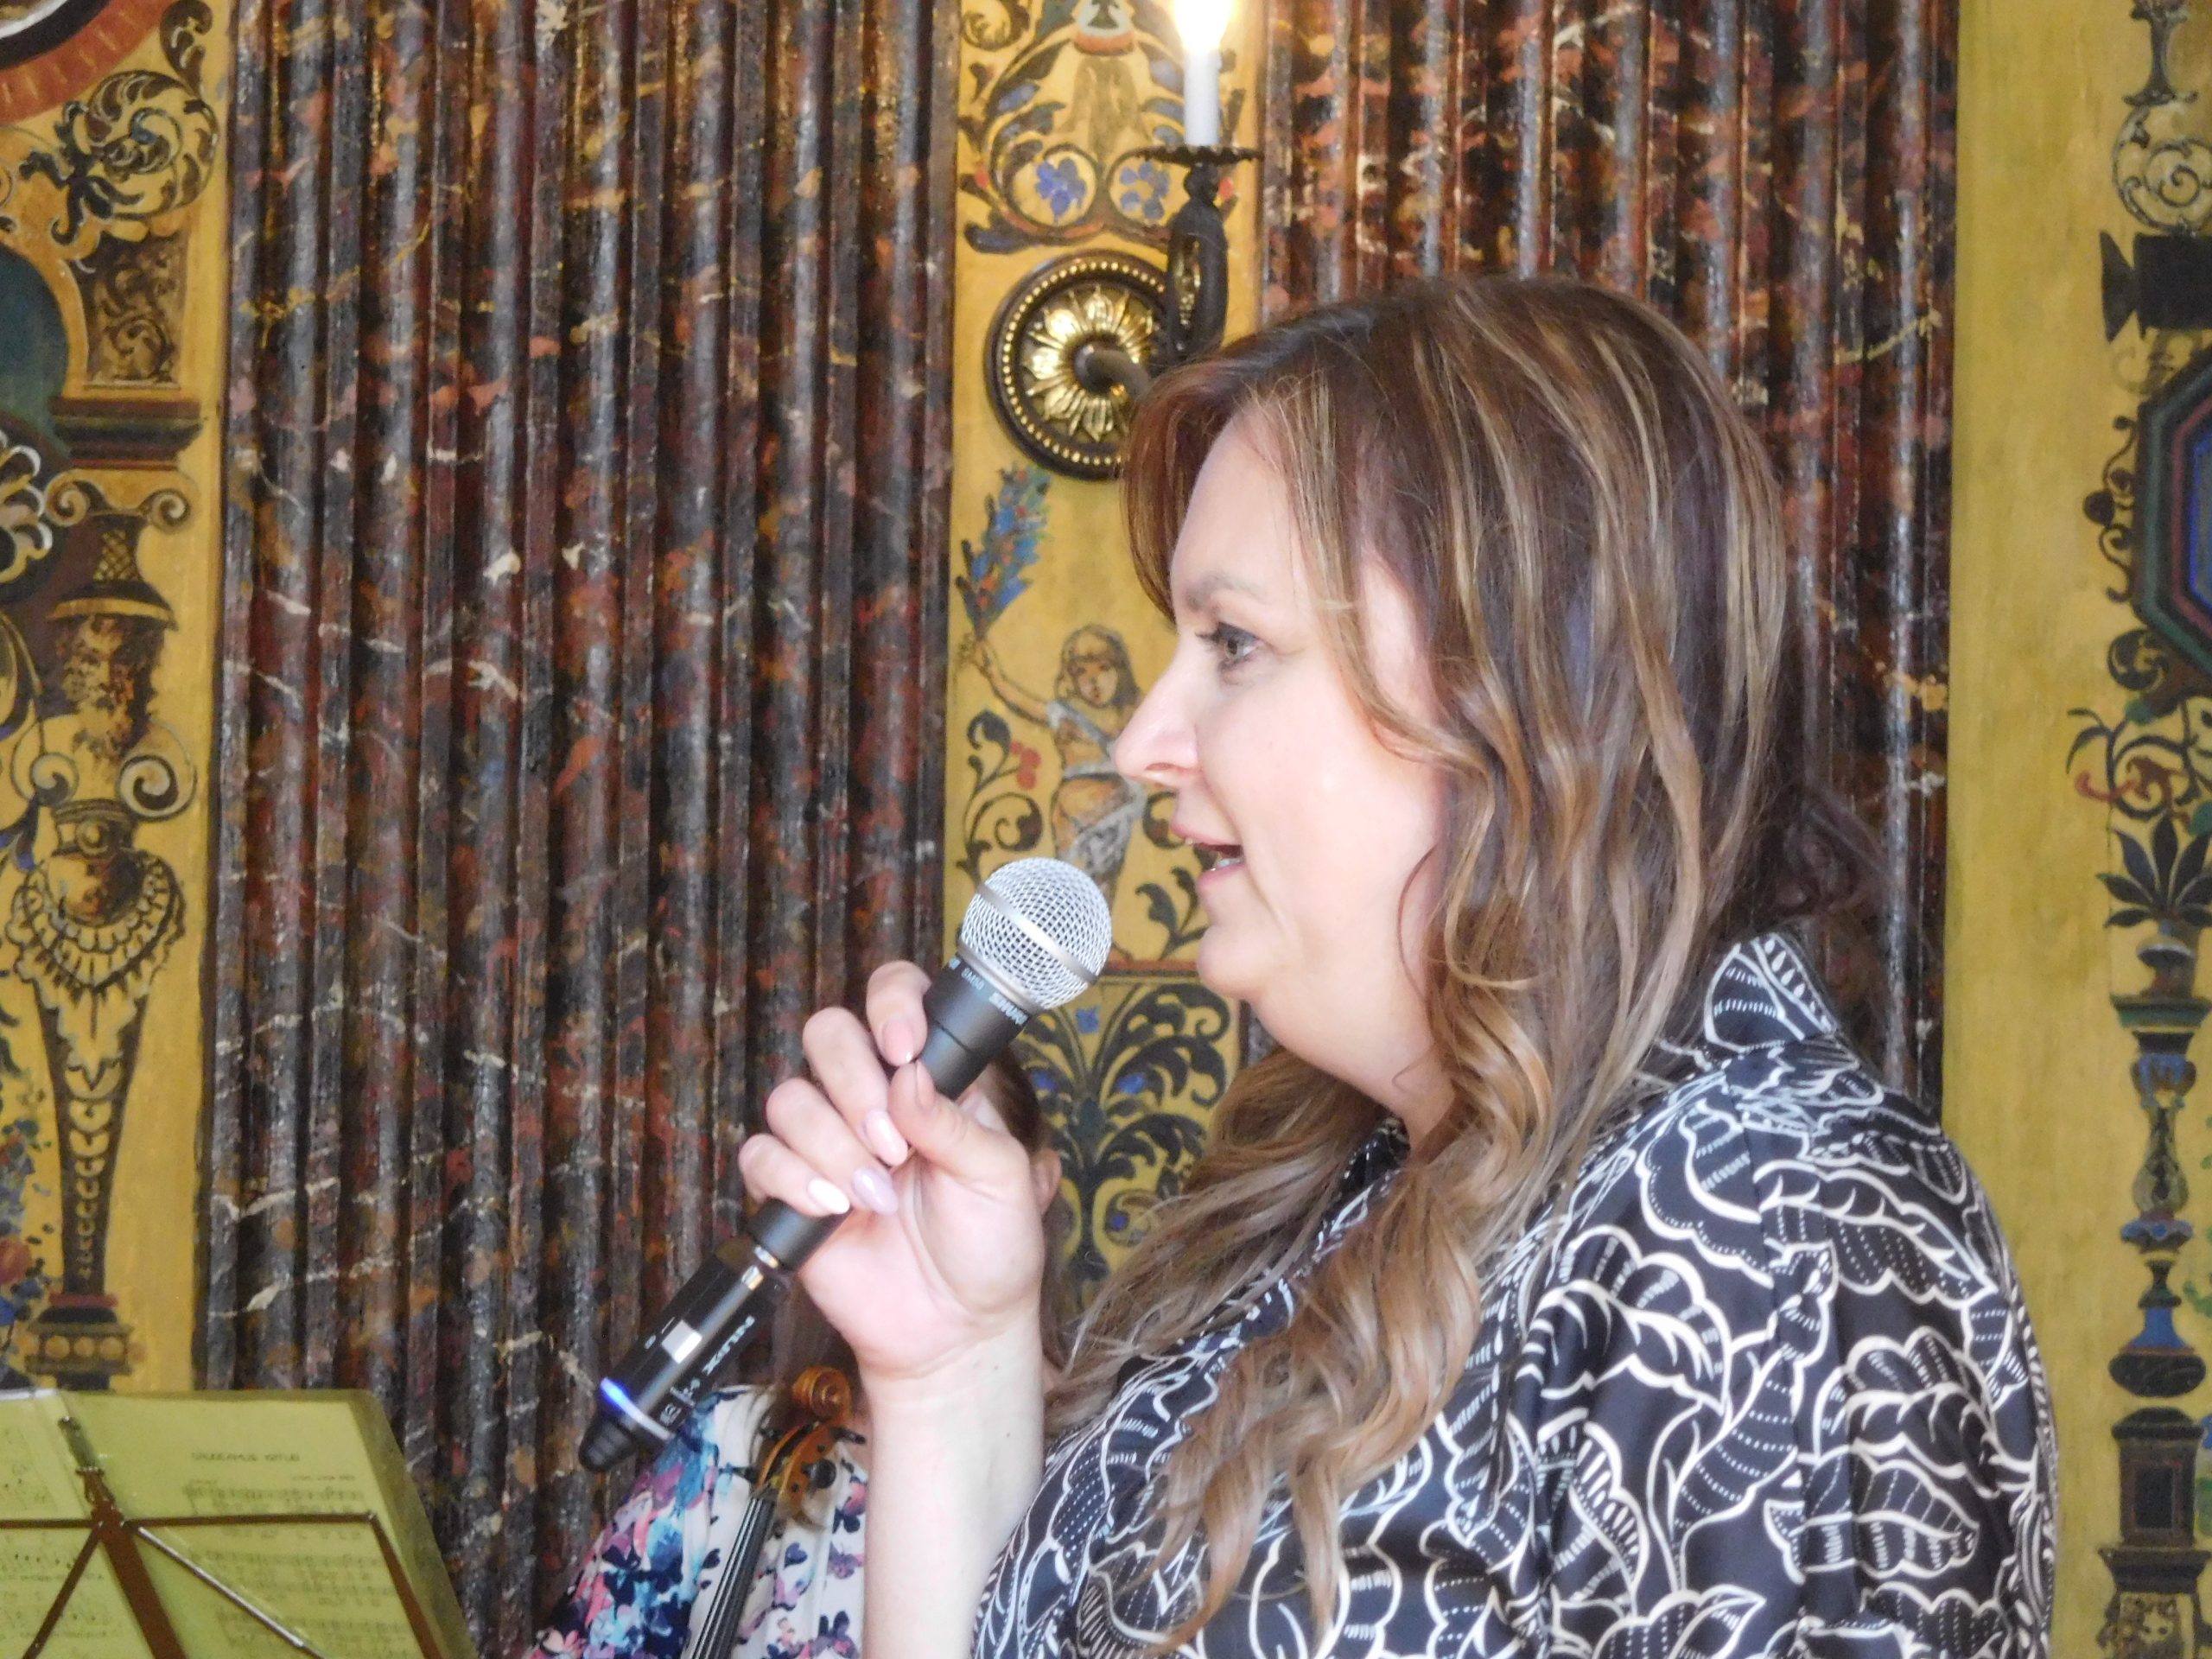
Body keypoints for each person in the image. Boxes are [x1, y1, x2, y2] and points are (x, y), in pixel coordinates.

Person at [735, 275, 2056, 1657]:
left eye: (1236, 644)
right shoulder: (1338, 1200)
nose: (1143, 743)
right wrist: (949, 1367)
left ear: (1524, 688)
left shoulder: (1771, 1222)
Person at [524, 1058, 1066, 1659]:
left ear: (1039, 1183)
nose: (897, 1178)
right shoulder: (731, 1441)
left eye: (940, 1131)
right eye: (869, 1139)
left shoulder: (1110, 1470)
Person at [963, 624, 1147, 905]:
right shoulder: (1066, 714)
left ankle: (1097, 930)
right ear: (1070, 678)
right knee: (1073, 879)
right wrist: (994, 674)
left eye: (1104, 668)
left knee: (1106, 882)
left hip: (1114, 810)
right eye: (1082, 672)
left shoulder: (1130, 712)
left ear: (1120, 671)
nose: (1094, 681)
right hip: (1073, 811)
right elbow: (1022, 702)